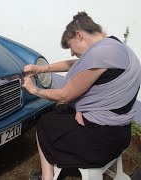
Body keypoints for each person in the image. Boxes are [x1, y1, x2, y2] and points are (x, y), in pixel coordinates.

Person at [22, 12, 141, 180]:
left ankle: (46, 177)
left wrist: (34, 90)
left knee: (45, 122)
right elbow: (75, 64)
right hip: (121, 133)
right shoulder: (114, 46)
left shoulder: (101, 55)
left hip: (101, 141)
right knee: (62, 112)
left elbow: (64, 96)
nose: (71, 53)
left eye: (70, 46)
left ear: (79, 35)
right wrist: (40, 69)